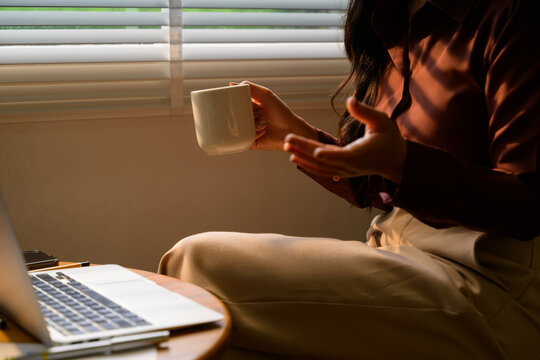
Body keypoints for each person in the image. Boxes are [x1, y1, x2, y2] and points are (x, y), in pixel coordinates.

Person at [160, 0, 540, 358]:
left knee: (196, 260)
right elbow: (378, 183)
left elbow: (528, 202)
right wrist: (296, 135)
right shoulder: (390, 19)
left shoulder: (510, 17)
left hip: (487, 281)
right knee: (231, 345)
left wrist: (405, 164)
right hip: (397, 255)